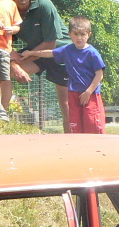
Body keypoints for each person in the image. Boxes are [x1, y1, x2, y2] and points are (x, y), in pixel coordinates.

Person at [23, 16, 106, 134]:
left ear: (89, 35)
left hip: (90, 94)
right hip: (74, 93)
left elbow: (99, 74)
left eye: (83, 34)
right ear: (70, 34)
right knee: (75, 125)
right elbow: (50, 53)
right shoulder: (67, 50)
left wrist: (88, 92)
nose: (79, 38)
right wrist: (31, 53)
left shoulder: (92, 53)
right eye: (75, 34)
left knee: (93, 124)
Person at [9, 0, 71, 132]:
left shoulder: (44, 5)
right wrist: (13, 62)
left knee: (66, 105)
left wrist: (19, 61)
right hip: (34, 51)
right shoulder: (7, 7)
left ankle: (73, 139)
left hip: (60, 52)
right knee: (3, 70)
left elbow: (50, 44)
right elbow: (2, 41)